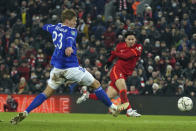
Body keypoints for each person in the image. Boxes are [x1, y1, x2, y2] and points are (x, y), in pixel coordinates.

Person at [10, 9, 129, 125]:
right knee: (96, 84)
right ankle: (113, 108)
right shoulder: (71, 30)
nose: (75, 22)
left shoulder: (55, 27)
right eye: (74, 20)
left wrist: (42, 26)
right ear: (67, 21)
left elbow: (46, 26)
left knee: (46, 93)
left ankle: (25, 112)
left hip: (57, 70)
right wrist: (68, 47)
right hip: (71, 68)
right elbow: (69, 38)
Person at [77, 31, 142, 117]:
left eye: (132, 39)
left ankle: (87, 95)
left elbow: (126, 56)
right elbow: (114, 55)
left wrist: (113, 53)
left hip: (125, 74)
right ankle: (129, 110)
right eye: (129, 39)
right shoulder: (120, 46)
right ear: (125, 39)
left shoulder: (138, 47)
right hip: (117, 70)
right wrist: (108, 62)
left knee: (107, 96)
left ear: (135, 40)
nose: (131, 41)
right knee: (123, 86)